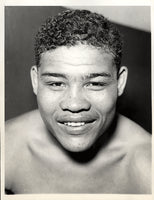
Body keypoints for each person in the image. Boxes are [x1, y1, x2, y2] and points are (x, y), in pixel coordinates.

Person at [5, 9, 151, 194]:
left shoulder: (146, 164)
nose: (74, 105)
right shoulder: (8, 146)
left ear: (120, 82)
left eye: (95, 83)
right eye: (56, 83)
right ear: (35, 81)